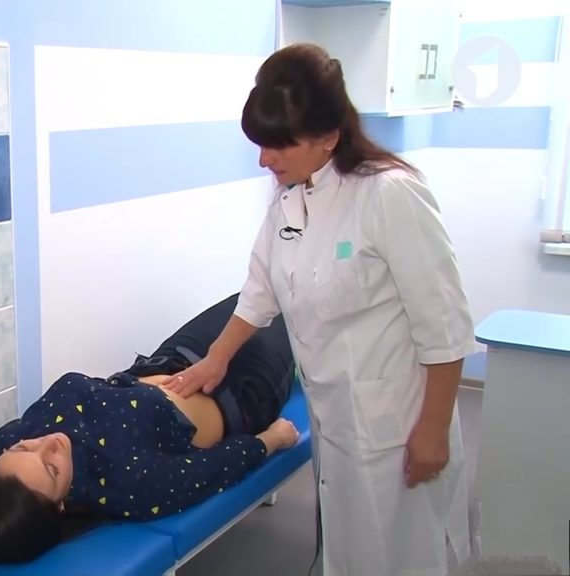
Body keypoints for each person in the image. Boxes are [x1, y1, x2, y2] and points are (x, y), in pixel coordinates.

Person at [162, 43, 476, 576]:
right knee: (348, 549)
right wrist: (215, 359)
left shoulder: (389, 195)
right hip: (334, 417)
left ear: (329, 136)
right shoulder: (289, 197)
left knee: (399, 555)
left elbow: (444, 324)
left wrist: (434, 427)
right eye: (261, 144)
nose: (264, 159)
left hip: (395, 421)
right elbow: (259, 291)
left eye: (278, 145)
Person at [0, 293, 301, 564]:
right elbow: (216, 468)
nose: (50, 442)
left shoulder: (9, 443)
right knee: (300, 301)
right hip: (240, 390)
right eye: (51, 468)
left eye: (24, 448)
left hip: (176, 354)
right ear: (59, 506)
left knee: (263, 288)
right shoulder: (129, 485)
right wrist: (271, 439)